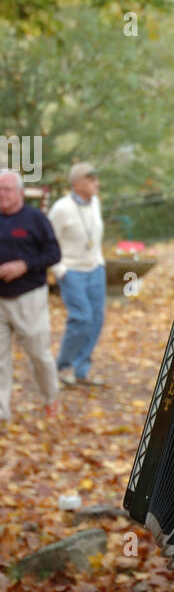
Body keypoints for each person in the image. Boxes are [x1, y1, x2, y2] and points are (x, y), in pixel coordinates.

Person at [0, 169, 61, 421]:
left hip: (29, 297)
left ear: (20, 192)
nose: (2, 194)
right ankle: (2, 412)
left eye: (7, 189)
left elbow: (54, 255)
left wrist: (23, 265)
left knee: (38, 354)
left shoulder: (36, 219)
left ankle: (51, 398)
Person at [48, 163, 107, 388]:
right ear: (77, 183)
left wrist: (99, 261)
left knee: (96, 319)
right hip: (71, 270)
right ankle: (62, 368)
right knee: (81, 317)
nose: (97, 184)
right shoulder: (61, 208)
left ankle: (81, 371)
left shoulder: (96, 203)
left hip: (95, 269)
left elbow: (94, 235)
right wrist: (60, 270)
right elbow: (48, 241)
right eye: (92, 180)